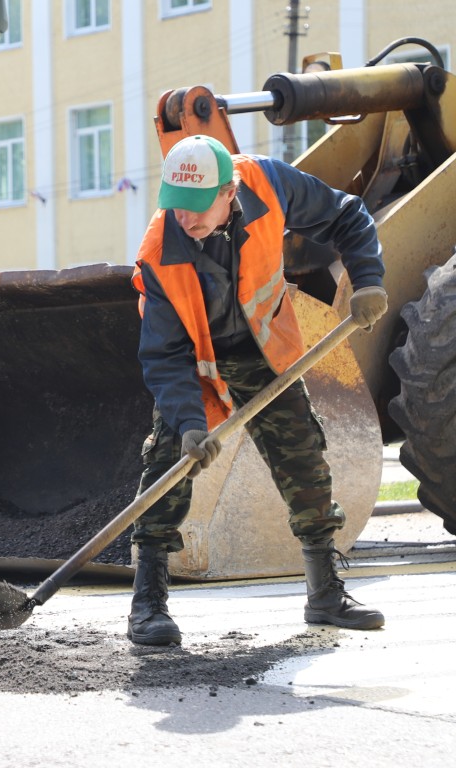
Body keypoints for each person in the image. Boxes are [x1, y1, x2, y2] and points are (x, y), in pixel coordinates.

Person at [128, 135, 389, 645]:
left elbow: (348, 214)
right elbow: (164, 355)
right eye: (176, 208)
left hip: (267, 351)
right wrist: (188, 424)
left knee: (304, 459)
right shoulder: (160, 253)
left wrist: (368, 280)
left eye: (198, 208)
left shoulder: (269, 183)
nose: (186, 220)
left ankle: (325, 595)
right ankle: (147, 605)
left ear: (230, 190)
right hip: (200, 363)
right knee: (168, 467)